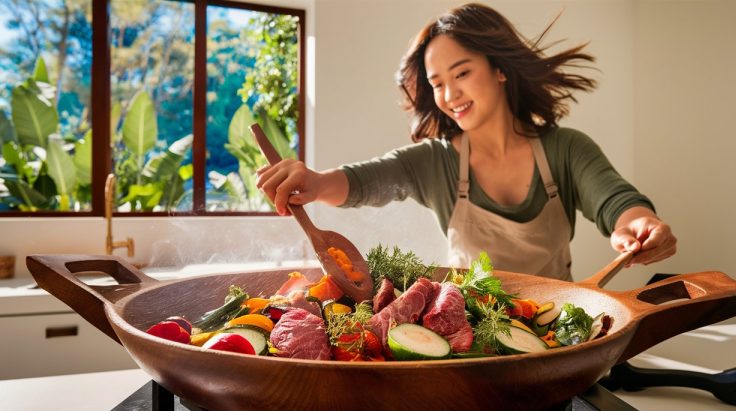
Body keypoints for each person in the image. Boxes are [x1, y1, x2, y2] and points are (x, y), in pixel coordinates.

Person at [256, 3, 676, 280]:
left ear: (499, 69)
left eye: (461, 73)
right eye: (437, 83)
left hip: (557, 337)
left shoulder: (565, 149)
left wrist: (639, 224)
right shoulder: (436, 163)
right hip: (471, 342)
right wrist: (314, 181)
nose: (449, 95)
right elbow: (366, 181)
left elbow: (616, 201)